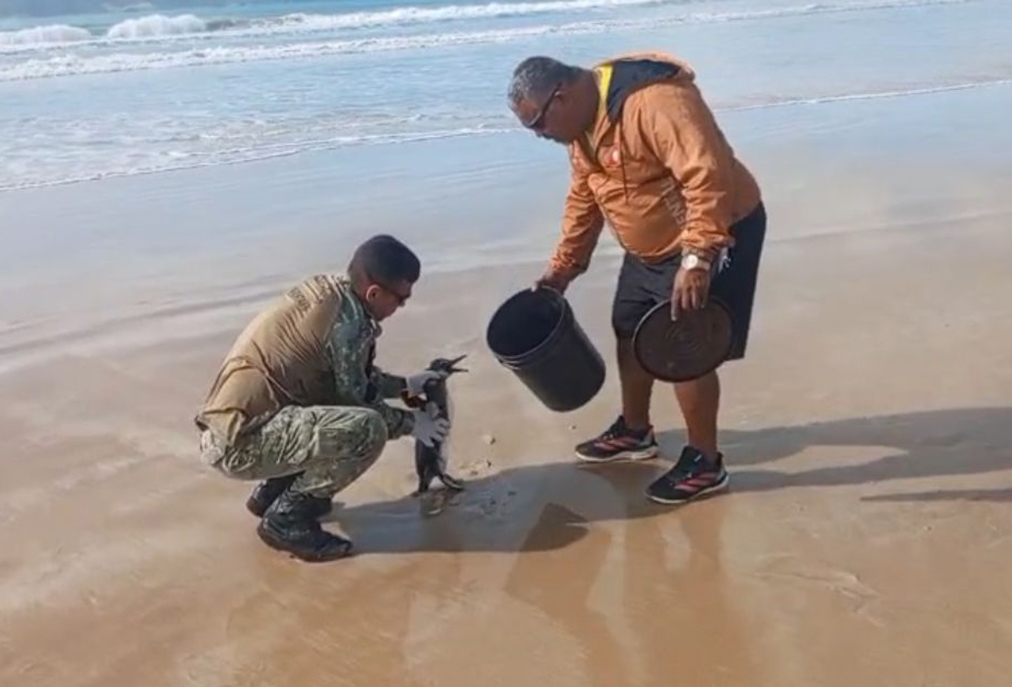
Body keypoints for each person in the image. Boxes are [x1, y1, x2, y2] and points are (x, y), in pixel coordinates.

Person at [507, 52, 766, 504]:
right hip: (650, 247)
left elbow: (706, 175)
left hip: (713, 232)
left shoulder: (657, 102)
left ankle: (706, 462)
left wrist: (698, 258)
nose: (540, 136)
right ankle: (635, 430)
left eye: (538, 125)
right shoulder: (582, 128)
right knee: (628, 324)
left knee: (685, 344)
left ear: (561, 97)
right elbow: (584, 200)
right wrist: (561, 272)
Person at [195, 235, 450, 562]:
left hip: (236, 425)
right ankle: (286, 519)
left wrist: (405, 386)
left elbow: (348, 376)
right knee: (367, 429)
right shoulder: (349, 328)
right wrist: (414, 424)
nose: (401, 307)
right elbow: (357, 400)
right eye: (400, 299)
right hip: (238, 444)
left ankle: (272, 494)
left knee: (325, 409)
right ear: (374, 293)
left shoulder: (332, 293)